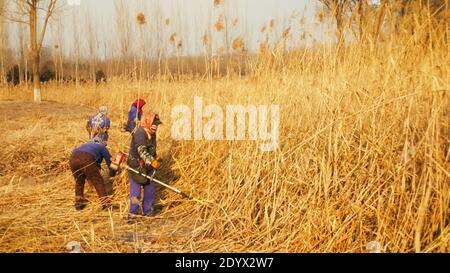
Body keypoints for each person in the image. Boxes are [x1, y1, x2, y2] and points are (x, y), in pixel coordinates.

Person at [127, 112, 162, 221]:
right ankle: (133, 214)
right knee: (135, 193)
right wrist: (152, 162)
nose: (155, 126)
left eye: (157, 124)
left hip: (148, 167)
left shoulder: (152, 134)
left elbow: (152, 150)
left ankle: (148, 211)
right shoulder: (140, 133)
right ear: (148, 122)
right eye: (154, 123)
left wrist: (155, 158)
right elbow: (141, 150)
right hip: (136, 166)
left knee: (150, 189)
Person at [69, 134, 117, 210]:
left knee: (79, 182)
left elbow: (74, 151)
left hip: (72, 159)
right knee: (98, 181)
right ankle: (106, 204)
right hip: (86, 158)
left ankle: (79, 203)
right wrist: (113, 174)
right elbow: (109, 163)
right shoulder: (101, 147)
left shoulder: (85, 144)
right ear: (103, 141)